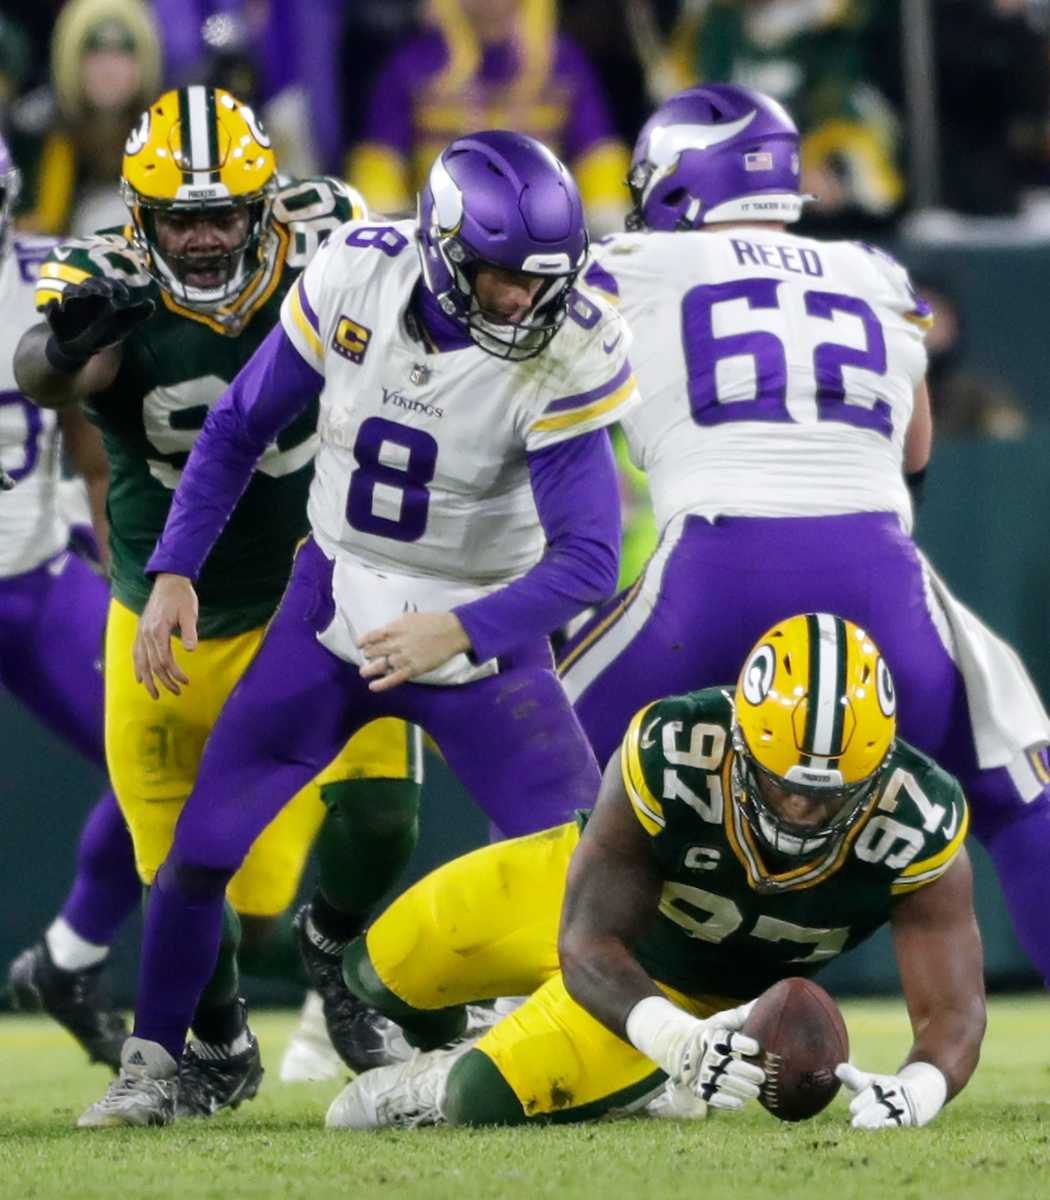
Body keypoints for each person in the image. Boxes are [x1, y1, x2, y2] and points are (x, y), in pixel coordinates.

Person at [71, 127, 638, 1128]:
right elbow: (240, 425)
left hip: (484, 637)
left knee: (587, 869)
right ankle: (158, 1064)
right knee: (201, 848)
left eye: (538, 278)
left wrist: (457, 628)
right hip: (332, 610)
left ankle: (605, 1052)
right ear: (440, 247)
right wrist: (173, 570)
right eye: (497, 274)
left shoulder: (570, 345)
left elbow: (589, 561)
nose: (520, 299)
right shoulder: (356, 276)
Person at [555, 83, 1050, 991]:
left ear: (671, 186)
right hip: (877, 567)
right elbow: (916, 446)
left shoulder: (624, 264)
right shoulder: (878, 273)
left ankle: (507, 1005)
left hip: (711, 566)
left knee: (539, 764)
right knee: (1016, 783)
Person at [14, 85, 423, 1116]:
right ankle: (220, 1039)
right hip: (174, 608)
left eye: (223, 213)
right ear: (142, 217)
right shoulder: (105, 271)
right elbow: (45, 371)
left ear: (270, 205)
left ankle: (334, 957)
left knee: (380, 817)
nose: (201, 238)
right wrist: (69, 347)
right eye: (179, 218)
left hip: (325, 587)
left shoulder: (332, 232)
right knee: (191, 884)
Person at [323, 614, 985, 1130]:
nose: (803, 811)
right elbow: (586, 942)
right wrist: (667, 1040)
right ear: (741, 741)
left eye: (831, 794)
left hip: (692, 993)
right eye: (783, 786)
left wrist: (919, 1089)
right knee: (374, 972)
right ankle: (474, 1037)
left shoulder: (917, 823)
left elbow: (955, 1013)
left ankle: (454, 1081)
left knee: (476, 1097)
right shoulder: (674, 746)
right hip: (580, 906)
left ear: (876, 775)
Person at [0, 130, 140, 1071]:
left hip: (35, 574)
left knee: (164, 757)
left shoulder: (46, 277)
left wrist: (112, 549)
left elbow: (97, 440)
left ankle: (69, 957)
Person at [348, 0, 630, 231]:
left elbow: (598, 152)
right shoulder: (413, 63)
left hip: (544, 228)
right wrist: (387, 225)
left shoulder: (563, 62)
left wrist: (607, 219)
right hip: (439, 229)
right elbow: (379, 159)